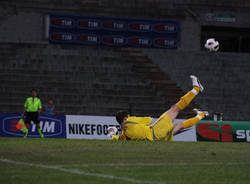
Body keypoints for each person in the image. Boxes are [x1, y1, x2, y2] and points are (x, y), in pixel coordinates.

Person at [109, 75, 209, 141]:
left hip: (158, 140)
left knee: (179, 126)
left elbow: (117, 139)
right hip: (156, 132)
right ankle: (197, 88)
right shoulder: (129, 121)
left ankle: (202, 114)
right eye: (129, 116)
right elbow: (148, 120)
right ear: (125, 118)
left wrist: (113, 134)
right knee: (175, 108)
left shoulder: (124, 135)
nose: (130, 117)